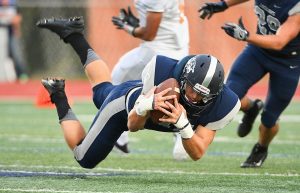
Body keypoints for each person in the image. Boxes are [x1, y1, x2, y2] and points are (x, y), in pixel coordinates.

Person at [36, 16, 240, 168]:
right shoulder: (162, 71)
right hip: (124, 107)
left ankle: (74, 34)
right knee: (84, 158)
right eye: (191, 89)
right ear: (183, 78)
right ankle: (58, 95)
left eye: (203, 95)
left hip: (142, 103)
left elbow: (198, 152)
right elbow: (132, 126)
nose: (195, 97)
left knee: (101, 91)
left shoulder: (224, 103)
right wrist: (145, 106)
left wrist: (184, 126)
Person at [199, 0, 300, 167]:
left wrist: (246, 36)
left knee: (269, 119)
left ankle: (261, 148)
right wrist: (223, 5)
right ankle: (251, 108)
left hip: (288, 63)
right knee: (228, 94)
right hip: (258, 52)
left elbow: (279, 41)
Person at [111, 0, 190, 159]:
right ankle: (182, 133)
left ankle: (119, 137)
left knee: (118, 78)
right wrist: (141, 23)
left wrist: (130, 28)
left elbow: (149, 34)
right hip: (180, 48)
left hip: (158, 50)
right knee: (173, 93)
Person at [0, 0, 28, 82]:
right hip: (1, 34)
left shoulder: (13, 5)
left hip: (11, 33)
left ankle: (22, 74)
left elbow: (18, 18)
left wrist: (13, 23)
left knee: (16, 54)